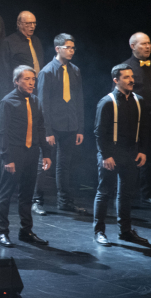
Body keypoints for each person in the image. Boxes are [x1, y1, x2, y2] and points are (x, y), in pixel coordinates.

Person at [92, 65, 149, 246]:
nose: (131, 80)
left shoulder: (139, 100)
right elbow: (99, 132)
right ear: (116, 80)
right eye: (126, 77)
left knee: (126, 194)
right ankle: (99, 231)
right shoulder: (107, 102)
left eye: (132, 76)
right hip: (112, 154)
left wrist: (142, 150)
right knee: (104, 192)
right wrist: (106, 155)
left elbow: (144, 129)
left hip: (131, 153)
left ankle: (125, 231)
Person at [0, 66, 52, 247]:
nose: (31, 83)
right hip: (14, 152)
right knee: (6, 194)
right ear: (16, 81)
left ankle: (26, 231)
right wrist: (7, 158)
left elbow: (40, 128)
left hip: (32, 152)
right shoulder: (7, 102)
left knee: (27, 194)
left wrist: (46, 153)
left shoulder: (35, 101)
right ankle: (2, 232)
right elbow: (2, 133)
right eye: (26, 79)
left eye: (33, 79)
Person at [33, 34, 86, 215]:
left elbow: (79, 100)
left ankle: (64, 200)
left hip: (70, 124)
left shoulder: (75, 70)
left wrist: (80, 127)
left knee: (65, 164)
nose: (71, 51)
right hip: (53, 126)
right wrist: (47, 130)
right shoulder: (47, 72)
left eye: (73, 48)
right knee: (44, 163)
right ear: (58, 48)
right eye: (68, 47)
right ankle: (37, 200)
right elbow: (43, 104)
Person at [120, 32, 151, 206]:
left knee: (149, 156)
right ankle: (128, 194)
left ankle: (146, 193)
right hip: (134, 119)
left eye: (149, 43)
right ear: (133, 47)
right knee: (133, 155)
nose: (147, 47)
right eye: (143, 44)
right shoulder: (126, 67)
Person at [1, 11, 44, 80]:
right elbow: (5, 68)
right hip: (20, 85)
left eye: (34, 23)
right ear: (19, 24)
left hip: (37, 83)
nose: (32, 26)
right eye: (28, 23)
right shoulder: (9, 42)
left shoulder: (36, 40)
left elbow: (41, 62)